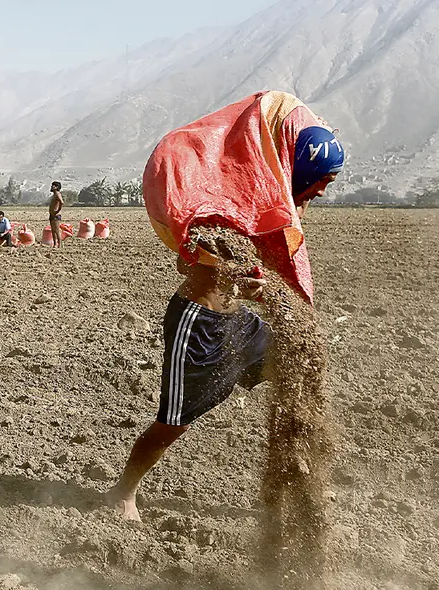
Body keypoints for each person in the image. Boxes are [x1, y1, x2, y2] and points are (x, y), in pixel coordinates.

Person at [107, 92, 345, 522]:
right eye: (322, 178)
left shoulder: (264, 200)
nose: (325, 188)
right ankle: (124, 491)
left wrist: (255, 283)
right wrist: (235, 273)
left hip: (237, 320)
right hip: (198, 324)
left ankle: (292, 475)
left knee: (298, 364)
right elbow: (188, 258)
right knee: (173, 421)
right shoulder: (217, 209)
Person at [48, 182, 64, 248]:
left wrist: (57, 210)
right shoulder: (54, 195)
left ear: (56, 187)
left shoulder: (57, 194)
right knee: (53, 230)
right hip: (52, 215)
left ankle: (59, 245)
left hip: (56, 215)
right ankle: (55, 244)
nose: (51, 187)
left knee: (57, 230)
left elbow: (62, 202)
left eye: (53, 186)